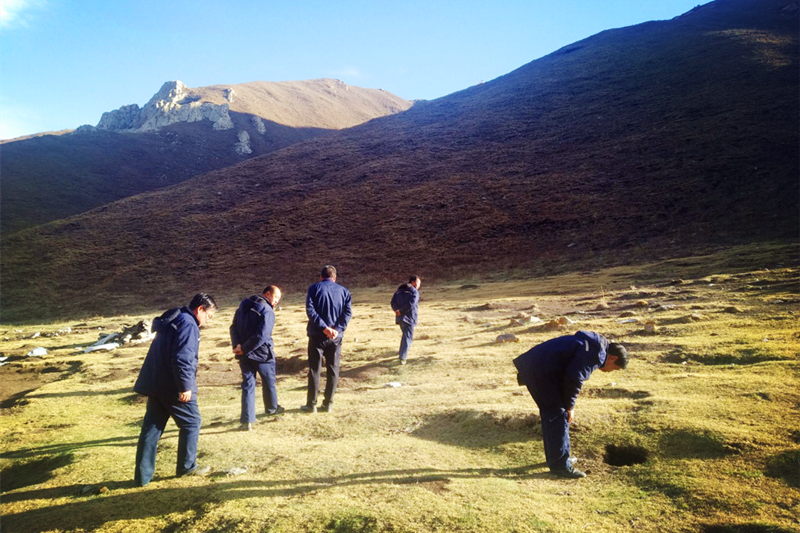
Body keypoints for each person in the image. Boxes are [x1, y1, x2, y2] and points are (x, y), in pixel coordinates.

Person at [513, 331, 628, 478]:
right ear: (613, 358)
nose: (610, 372)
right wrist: (570, 407)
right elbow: (574, 378)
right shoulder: (594, 353)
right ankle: (560, 466)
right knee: (558, 415)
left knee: (554, 415)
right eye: (615, 368)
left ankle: (559, 458)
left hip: (538, 369)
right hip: (540, 372)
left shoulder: (593, 347)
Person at [133, 293, 217, 486]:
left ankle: (142, 477)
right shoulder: (188, 324)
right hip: (171, 386)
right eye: (208, 316)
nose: (206, 321)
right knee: (192, 422)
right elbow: (183, 358)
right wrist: (185, 386)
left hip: (155, 382)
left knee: (152, 428)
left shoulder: (175, 318)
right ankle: (186, 467)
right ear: (200, 310)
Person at [230, 285, 284, 430]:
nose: (277, 301)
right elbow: (262, 335)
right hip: (262, 354)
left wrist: (238, 346)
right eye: (276, 297)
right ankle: (272, 408)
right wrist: (245, 348)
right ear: (267, 294)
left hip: (244, 354)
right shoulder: (267, 310)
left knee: (248, 385)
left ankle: (247, 421)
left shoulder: (242, 307)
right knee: (269, 380)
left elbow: (233, 327)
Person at [301, 265, 352, 413]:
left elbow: (310, 311)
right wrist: (337, 329)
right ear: (335, 278)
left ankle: (311, 404)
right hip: (335, 337)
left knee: (314, 369)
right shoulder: (344, 291)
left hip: (317, 335)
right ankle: (328, 403)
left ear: (321, 277)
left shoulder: (314, 289)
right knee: (333, 369)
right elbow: (347, 313)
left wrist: (324, 327)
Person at [391, 275, 421, 364]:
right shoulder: (414, 292)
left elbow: (393, 302)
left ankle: (402, 352)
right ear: (413, 282)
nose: (419, 285)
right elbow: (411, 304)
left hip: (400, 317)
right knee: (408, 337)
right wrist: (401, 310)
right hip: (409, 317)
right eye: (418, 283)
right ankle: (402, 358)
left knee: (405, 335)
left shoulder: (399, 291)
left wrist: (397, 310)